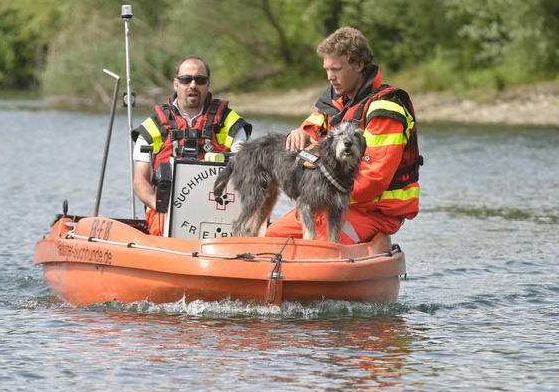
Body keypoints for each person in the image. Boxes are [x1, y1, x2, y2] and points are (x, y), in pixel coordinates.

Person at [266, 27, 422, 245]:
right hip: (327, 200)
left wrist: (320, 192)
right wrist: (300, 132)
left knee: (322, 245)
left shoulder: (386, 109)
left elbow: (372, 181)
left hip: (372, 211)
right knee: (272, 237)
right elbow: (311, 133)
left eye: (336, 69)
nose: (330, 77)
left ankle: (373, 247)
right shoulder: (336, 101)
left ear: (359, 65)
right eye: (327, 69)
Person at [132, 55, 252, 236]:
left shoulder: (230, 122)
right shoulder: (153, 126)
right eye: (186, 79)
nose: (193, 85)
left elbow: (244, 169)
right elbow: (140, 181)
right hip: (166, 210)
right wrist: (159, 204)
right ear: (176, 84)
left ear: (208, 85)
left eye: (200, 80)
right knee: (160, 226)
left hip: (217, 207)